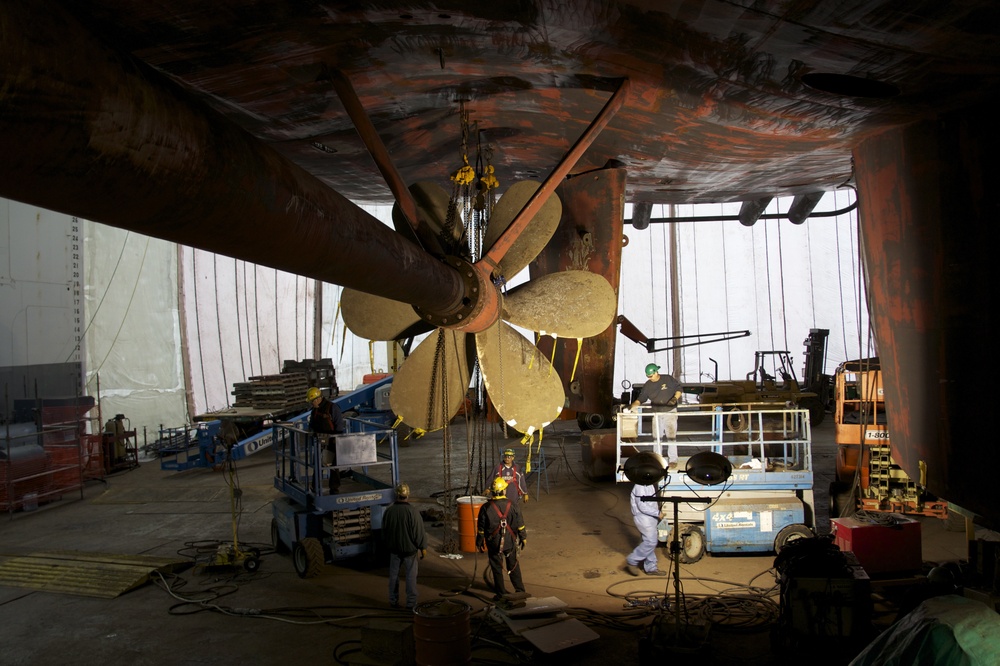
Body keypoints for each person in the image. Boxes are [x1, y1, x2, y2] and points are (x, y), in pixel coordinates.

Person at [476, 477, 527, 600]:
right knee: (513, 566)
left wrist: (479, 541)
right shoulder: (513, 505)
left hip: (494, 544)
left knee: (497, 568)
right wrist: (523, 538)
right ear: (504, 491)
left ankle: (501, 594)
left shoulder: (486, 508)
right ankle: (520, 590)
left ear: (493, 491)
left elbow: (481, 528)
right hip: (509, 543)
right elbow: (520, 524)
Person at [381, 482, 427, 609]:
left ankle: (393, 601)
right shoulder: (413, 512)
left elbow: (384, 531)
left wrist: (387, 546)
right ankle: (411, 603)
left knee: (393, 577)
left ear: (396, 495)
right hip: (409, 551)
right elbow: (418, 532)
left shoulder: (389, 512)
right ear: (408, 495)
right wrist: (423, 547)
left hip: (394, 550)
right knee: (411, 577)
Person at [630, 363, 682, 466]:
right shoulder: (648, 385)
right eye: (648, 376)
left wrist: (675, 398)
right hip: (656, 413)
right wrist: (633, 405)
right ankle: (657, 459)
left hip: (670, 412)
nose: (650, 378)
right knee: (656, 437)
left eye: (651, 376)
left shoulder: (668, 379)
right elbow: (641, 398)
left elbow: (679, 389)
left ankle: (673, 460)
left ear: (656, 372)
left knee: (671, 436)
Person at [624, 481, 668, 577]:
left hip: (650, 517)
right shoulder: (640, 486)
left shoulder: (649, 484)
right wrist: (657, 513)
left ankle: (651, 567)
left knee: (648, 541)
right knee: (651, 542)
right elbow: (642, 506)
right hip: (643, 517)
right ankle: (632, 560)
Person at [307, 386, 346, 493]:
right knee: (318, 464)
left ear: (317, 399)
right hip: (319, 441)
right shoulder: (314, 410)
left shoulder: (332, 408)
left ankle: (334, 488)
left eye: (312, 401)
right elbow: (312, 425)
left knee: (334, 466)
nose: (311, 404)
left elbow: (339, 426)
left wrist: (336, 440)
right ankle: (315, 487)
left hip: (332, 441)